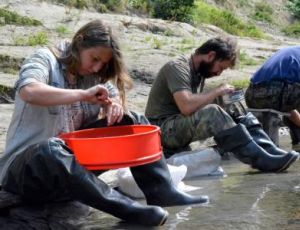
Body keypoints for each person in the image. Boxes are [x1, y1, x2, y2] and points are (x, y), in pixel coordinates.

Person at [0, 20, 209, 227]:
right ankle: (126, 209)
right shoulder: (44, 59)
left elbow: (112, 93)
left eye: (103, 64)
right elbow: (29, 91)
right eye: (94, 59)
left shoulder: (93, 73)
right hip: (25, 172)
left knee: (132, 121)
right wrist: (81, 95)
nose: (97, 67)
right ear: (79, 42)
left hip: (74, 167)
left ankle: (162, 191)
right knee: (52, 149)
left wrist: (114, 105)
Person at [145, 36, 299, 172]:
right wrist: (216, 92)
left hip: (176, 126)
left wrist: (223, 99)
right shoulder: (177, 67)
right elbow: (186, 107)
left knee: (231, 103)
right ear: (211, 55)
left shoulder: (198, 72)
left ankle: (269, 150)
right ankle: (259, 160)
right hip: (161, 131)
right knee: (213, 112)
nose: (219, 73)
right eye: (221, 68)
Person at [245, 46, 300, 151]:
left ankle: (297, 138)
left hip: (251, 95)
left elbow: (288, 105)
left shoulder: (289, 51)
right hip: (275, 95)